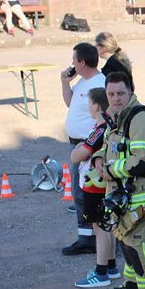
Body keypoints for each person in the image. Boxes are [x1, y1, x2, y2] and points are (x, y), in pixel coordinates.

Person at [95, 71, 145, 289]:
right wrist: (97, 159)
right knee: (125, 239)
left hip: (141, 196)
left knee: (139, 244)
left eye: (120, 93)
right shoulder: (116, 118)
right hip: (124, 196)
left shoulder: (140, 118)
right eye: (111, 94)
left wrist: (111, 169)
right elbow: (107, 147)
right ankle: (134, 283)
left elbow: (144, 159)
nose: (115, 98)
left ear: (131, 92)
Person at [72, 87, 120, 288]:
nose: (88, 106)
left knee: (99, 228)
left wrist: (77, 149)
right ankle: (111, 266)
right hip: (104, 184)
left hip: (95, 186)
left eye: (89, 103)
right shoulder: (110, 125)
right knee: (107, 226)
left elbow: (76, 156)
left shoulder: (100, 129)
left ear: (96, 106)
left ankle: (101, 273)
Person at [61, 42, 106, 256]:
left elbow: (104, 117)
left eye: (74, 61)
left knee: (87, 192)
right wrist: (65, 83)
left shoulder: (99, 84)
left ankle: (96, 237)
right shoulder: (81, 82)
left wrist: (93, 148)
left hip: (88, 146)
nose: (72, 64)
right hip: (77, 143)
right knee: (79, 192)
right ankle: (86, 237)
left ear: (83, 62)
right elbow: (70, 103)